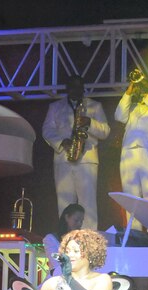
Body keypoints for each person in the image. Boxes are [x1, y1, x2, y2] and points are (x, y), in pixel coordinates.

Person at [42, 75, 110, 230]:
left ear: (83, 88)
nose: (76, 90)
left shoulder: (95, 106)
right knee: (64, 202)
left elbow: (105, 131)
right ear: (67, 88)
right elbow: (47, 130)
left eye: (79, 87)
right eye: (73, 87)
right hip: (63, 158)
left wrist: (90, 122)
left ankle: (89, 238)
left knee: (88, 203)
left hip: (87, 159)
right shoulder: (55, 107)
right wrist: (61, 142)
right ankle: (65, 237)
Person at [114, 72, 148, 229]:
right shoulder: (130, 106)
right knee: (131, 197)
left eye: (142, 85)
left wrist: (146, 94)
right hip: (128, 154)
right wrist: (128, 92)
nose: (139, 88)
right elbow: (119, 116)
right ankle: (134, 233)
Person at [42, 203, 85, 276]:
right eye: (76, 220)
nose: (79, 224)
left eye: (81, 221)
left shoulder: (82, 240)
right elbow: (56, 262)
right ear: (67, 217)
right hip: (58, 278)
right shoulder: (51, 239)